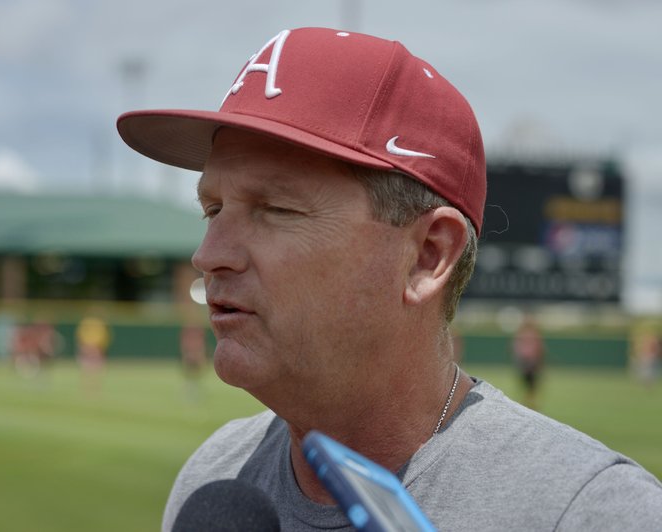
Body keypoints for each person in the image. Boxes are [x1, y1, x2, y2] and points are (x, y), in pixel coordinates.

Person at [117, 27, 662, 531]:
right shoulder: (214, 478)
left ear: (428, 255)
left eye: (275, 208)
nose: (208, 255)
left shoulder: (588, 512)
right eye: (213, 210)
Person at [511, 315, 545, 409]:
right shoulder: (525, 334)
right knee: (529, 385)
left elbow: (539, 348)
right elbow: (516, 347)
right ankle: (528, 402)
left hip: (530, 363)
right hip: (526, 363)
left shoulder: (532, 334)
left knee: (532, 386)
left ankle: (528, 402)